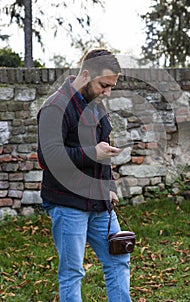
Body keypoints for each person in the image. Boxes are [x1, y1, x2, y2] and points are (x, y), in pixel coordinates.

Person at [37, 49, 132, 302]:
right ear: (87, 74)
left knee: (119, 259)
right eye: (104, 85)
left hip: (100, 203)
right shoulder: (55, 107)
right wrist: (93, 153)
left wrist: (109, 186)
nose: (107, 93)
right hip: (68, 205)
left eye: (111, 87)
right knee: (72, 272)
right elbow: (49, 158)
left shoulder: (96, 107)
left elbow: (105, 150)